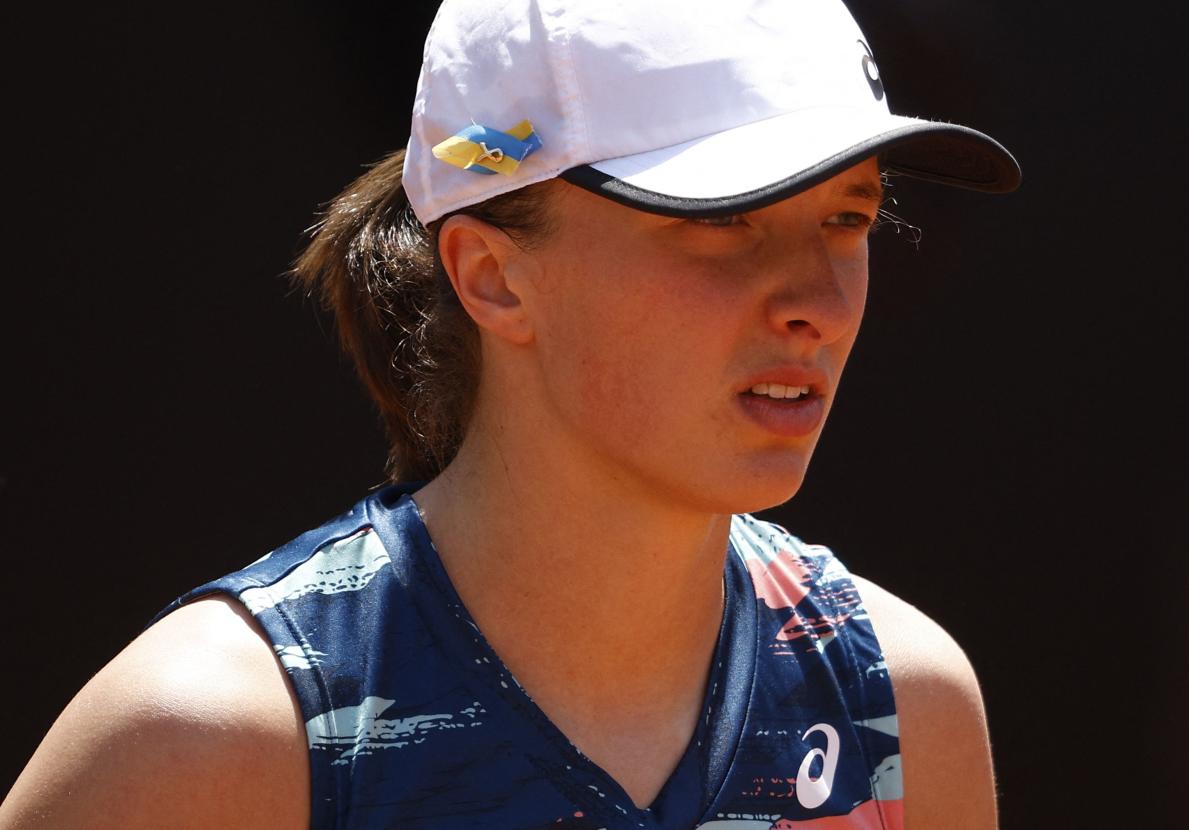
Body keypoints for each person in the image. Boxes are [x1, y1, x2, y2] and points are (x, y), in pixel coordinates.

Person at [1, 1, 1019, 827]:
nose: (815, 299)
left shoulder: (900, 699)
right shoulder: (210, 739)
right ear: (492, 274)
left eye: (846, 216)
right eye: (723, 221)